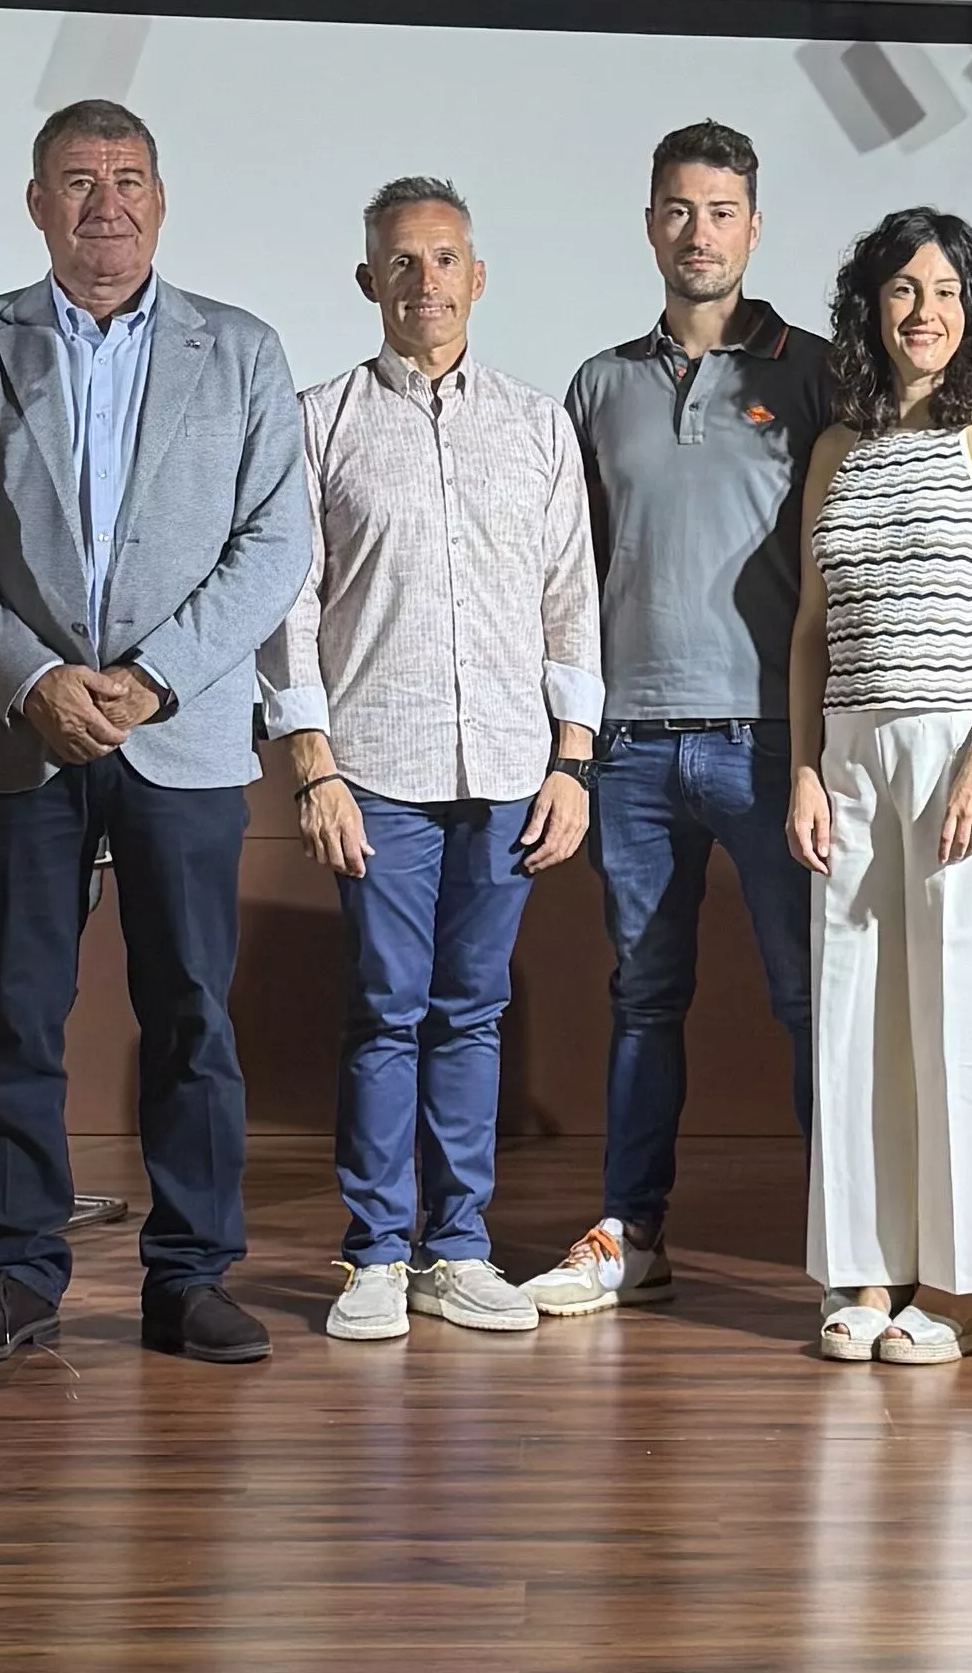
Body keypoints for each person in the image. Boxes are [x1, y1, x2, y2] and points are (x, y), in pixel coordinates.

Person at [0, 99, 312, 1368]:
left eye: (129, 179)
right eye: (77, 182)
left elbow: (275, 546)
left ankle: (190, 1276)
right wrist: (29, 676)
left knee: (190, 1010)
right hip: (24, 738)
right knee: (21, 1011)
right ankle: (18, 1274)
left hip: (178, 738)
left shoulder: (239, 350)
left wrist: (150, 679)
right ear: (36, 204)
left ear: (162, 197)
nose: (106, 205)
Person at [265, 177, 603, 1345]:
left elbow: (572, 601)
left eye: (446, 259)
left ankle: (458, 1251)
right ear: (370, 281)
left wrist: (573, 760)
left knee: (472, 1013)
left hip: (513, 769)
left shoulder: (537, 423)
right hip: (378, 770)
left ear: (478, 276)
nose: (426, 282)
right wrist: (313, 764)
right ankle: (373, 1254)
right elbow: (290, 606)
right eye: (402, 263)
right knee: (385, 1012)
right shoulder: (320, 422)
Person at [520, 122, 832, 1321]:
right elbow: (566, 575)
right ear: (650, 223)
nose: (698, 233)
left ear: (754, 229)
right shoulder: (598, 385)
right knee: (644, 993)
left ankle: (840, 1238)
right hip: (634, 747)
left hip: (768, 744)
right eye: (677, 210)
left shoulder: (811, 377)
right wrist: (575, 747)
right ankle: (633, 1234)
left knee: (808, 996)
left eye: (720, 212)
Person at [785, 207, 972, 1365]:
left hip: (970, 745)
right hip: (852, 747)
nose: (925, 312)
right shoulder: (837, 450)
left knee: (970, 1013)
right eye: (903, 291)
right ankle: (864, 1269)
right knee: (855, 1014)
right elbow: (811, 626)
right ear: (871, 308)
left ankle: (963, 1288)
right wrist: (804, 767)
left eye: (947, 291)